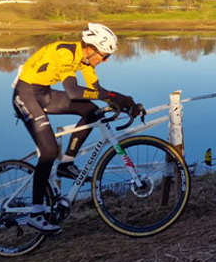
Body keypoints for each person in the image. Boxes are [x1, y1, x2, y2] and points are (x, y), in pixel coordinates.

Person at [12, 23, 144, 232]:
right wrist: (112, 97)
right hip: (26, 94)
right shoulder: (66, 53)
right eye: (104, 55)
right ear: (91, 49)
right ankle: (35, 213)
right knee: (48, 152)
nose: (106, 60)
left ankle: (66, 163)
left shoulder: (84, 61)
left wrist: (125, 102)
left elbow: (97, 90)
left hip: (44, 94)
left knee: (91, 111)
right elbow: (73, 92)